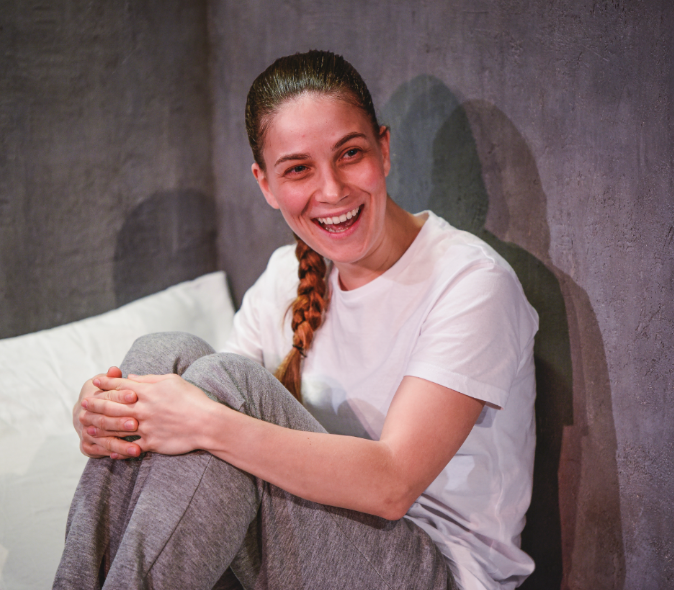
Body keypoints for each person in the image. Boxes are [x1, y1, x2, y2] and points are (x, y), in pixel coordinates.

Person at [55, 51, 539, 590]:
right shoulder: (286, 276)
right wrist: (109, 418)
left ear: (382, 149)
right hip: (319, 547)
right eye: (298, 168)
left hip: (438, 572)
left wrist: (204, 422)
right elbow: (197, 413)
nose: (331, 190)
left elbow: (393, 485)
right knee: (162, 357)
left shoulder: (470, 282)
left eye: (349, 154)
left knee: (219, 387)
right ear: (265, 184)